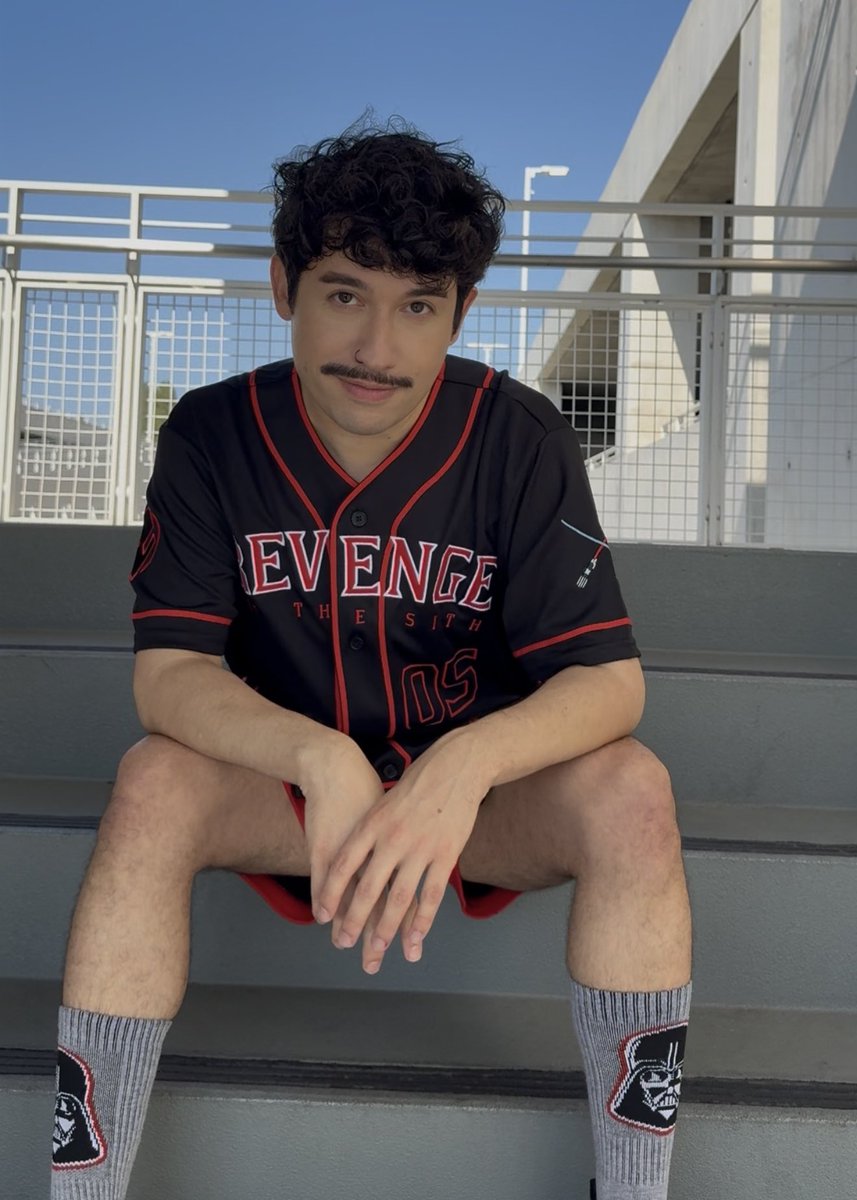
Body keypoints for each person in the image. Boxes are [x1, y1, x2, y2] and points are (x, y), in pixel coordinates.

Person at [51, 117, 692, 1200]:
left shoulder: (519, 436)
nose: (376, 348)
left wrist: (462, 766)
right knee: (152, 782)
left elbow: (608, 680)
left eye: (417, 306)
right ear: (283, 286)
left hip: (471, 810)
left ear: (460, 313)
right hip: (290, 795)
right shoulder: (211, 433)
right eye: (345, 293)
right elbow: (168, 676)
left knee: (632, 791)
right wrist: (318, 758)